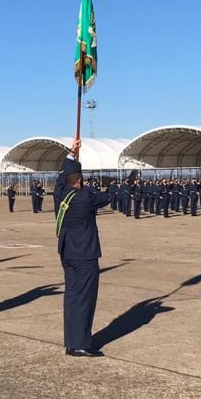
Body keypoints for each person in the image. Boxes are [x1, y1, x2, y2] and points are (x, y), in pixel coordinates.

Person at [55, 140, 112, 357]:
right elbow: (106, 197)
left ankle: (71, 341)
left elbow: (62, 178)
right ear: (79, 180)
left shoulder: (60, 194)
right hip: (84, 255)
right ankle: (80, 343)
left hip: (68, 251)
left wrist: (71, 153)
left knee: (72, 297)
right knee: (84, 299)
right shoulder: (85, 196)